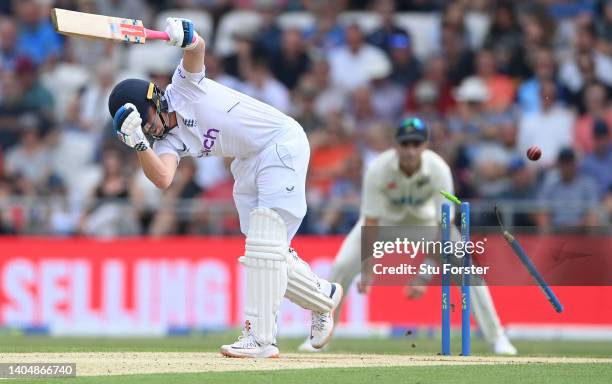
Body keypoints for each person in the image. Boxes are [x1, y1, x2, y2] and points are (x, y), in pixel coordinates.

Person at [106, 18, 342, 358]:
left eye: (147, 125)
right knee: (266, 252)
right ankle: (323, 295)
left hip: (280, 143)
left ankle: (260, 339)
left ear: (154, 100)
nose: (151, 132)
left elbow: (197, 47)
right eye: (143, 131)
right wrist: (140, 145)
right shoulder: (166, 142)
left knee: (265, 243)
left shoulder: (183, 87)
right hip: (246, 161)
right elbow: (163, 179)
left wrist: (184, 35)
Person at [298, 118, 517, 355]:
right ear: (396, 145)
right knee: (341, 266)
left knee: (467, 268)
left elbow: (443, 224)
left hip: (424, 224)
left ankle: (497, 337)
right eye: (405, 144)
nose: (411, 150)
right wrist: (367, 269)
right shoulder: (379, 169)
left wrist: (423, 276)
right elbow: (371, 222)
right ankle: (321, 337)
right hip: (383, 223)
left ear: (425, 145)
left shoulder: (438, 169)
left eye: (416, 144)